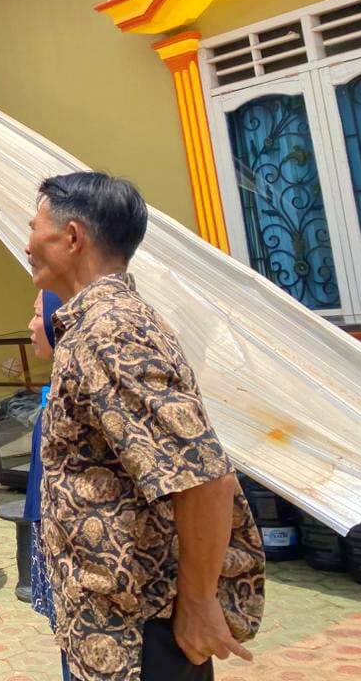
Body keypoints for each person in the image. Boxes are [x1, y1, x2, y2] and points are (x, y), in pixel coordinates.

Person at [25, 171, 265, 681]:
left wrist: (197, 603)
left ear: (72, 237)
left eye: (34, 229)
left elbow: (205, 478)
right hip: (111, 625)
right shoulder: (99, 325)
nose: (27, 245)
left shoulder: (110, 332)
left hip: (136, 637)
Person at [22, 290, 69, 681]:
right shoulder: (59, 382)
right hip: (52, 536)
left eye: (38, 315)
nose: (30, 325)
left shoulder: (78, 388)